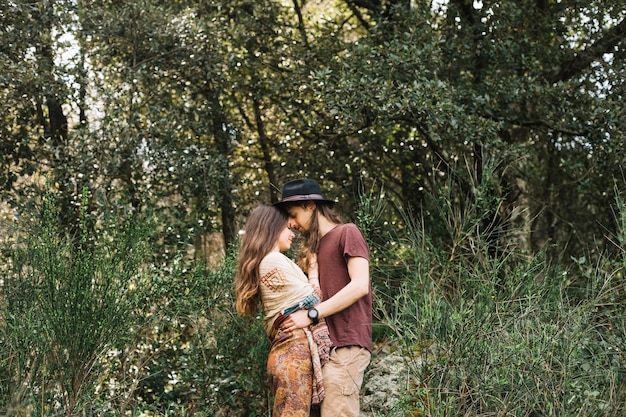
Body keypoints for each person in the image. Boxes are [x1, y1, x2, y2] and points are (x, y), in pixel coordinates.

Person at [275, 179, 372, 417]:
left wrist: (311, 315)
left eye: (293, 214)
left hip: (346, 344)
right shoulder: (313, 250)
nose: (291, 222)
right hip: (322, 351)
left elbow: (360, 285)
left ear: (310, 205)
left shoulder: (347, 233)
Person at [234, 204, 331, 417]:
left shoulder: (270, 261)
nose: (292, 234)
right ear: (272, 228)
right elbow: (314, 299)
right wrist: (313, 272)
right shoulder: (272, 260)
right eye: (288, 228)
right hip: (293, 351)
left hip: (289, 351)